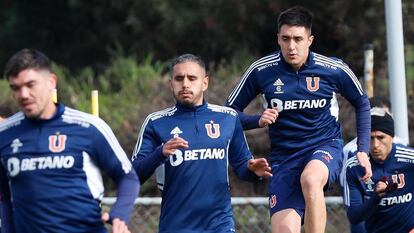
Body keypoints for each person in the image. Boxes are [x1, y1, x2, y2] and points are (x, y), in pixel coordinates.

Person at [226, 6, 372, 233]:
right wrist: (257, 120)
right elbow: (227, 113)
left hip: (324, 146)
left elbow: (362, 102)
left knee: (311, 179)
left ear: (310, 40)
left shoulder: (333, 69)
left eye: (297, 39)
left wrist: (363, 148)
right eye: (285, 39)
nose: (291, 46)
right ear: (278, 39)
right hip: (284, 158)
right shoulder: (261, 70)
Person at [0, 48, 139, 233]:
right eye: (16, 88)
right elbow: (5, 197)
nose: (23, 94)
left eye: (30, 84)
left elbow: (127, 176)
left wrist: (120, 214)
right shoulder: (5, 134)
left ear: (51, 82)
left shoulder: (89, 127)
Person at [131, 54, 272, 232]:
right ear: (171, 83)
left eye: (192, 78)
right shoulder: (155, 122)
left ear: (205, 82)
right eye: (179, 78)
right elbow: (133, 175)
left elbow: (242, 166)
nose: (185, 84)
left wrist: (253, 171)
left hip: (219, 224)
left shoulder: (227, 118)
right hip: (176, 225)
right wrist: (159, 153)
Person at [340, 96, 407, 233]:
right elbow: (351, 202)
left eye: (381, 138)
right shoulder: (351, 153)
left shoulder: (404, 149)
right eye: (371, 138)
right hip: (369, 221)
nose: (376, 145)